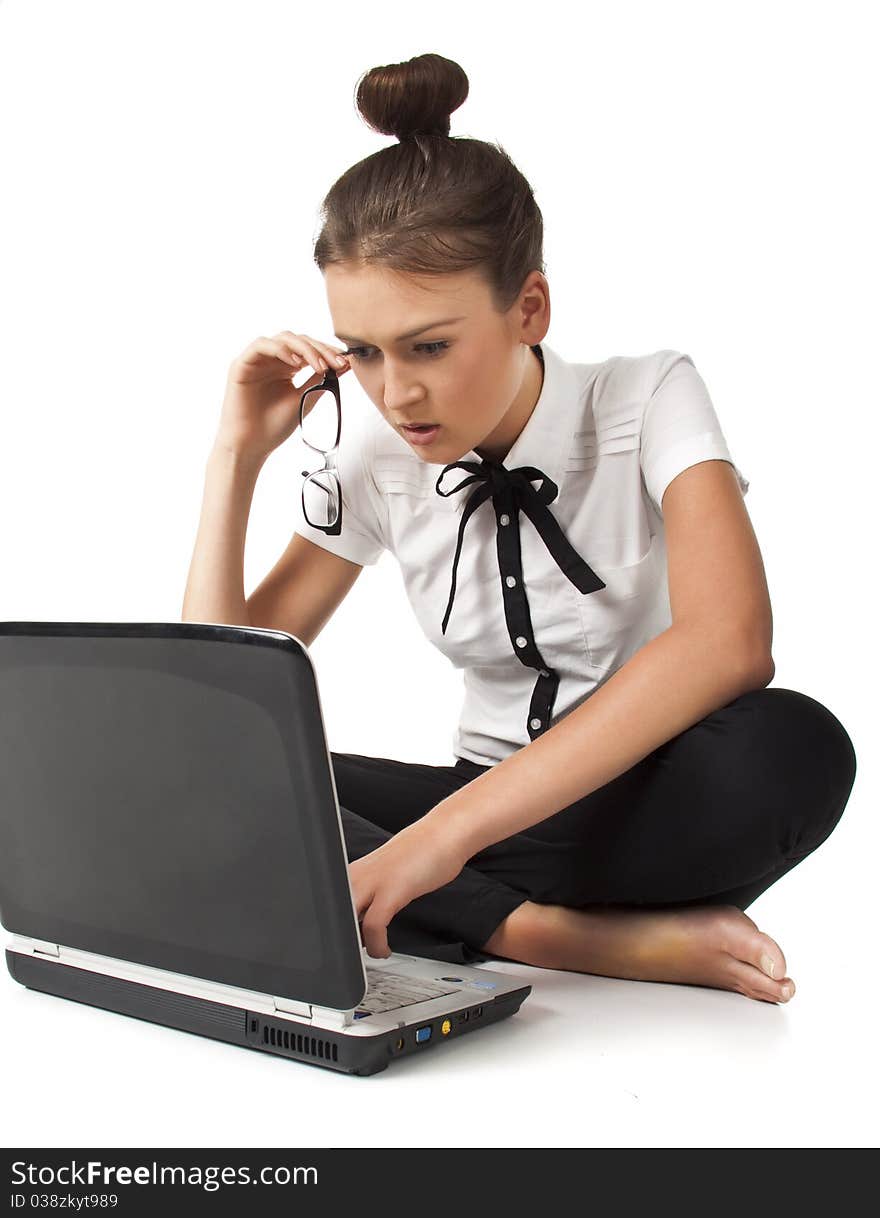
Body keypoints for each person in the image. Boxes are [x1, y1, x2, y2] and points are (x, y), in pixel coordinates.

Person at [182, 53, 857, 1005]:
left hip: (640, 807)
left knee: (792, 749)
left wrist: (433, 846)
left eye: (430, 346)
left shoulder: (648, 395)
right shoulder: (378, 453)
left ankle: (441, 902)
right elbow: (220, 707)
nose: (396, 391)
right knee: (214, 778)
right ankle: (557, 937)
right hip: (487, 812)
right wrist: (234, 458)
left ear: (528, 308)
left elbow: (731, 644)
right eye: (366, 353)